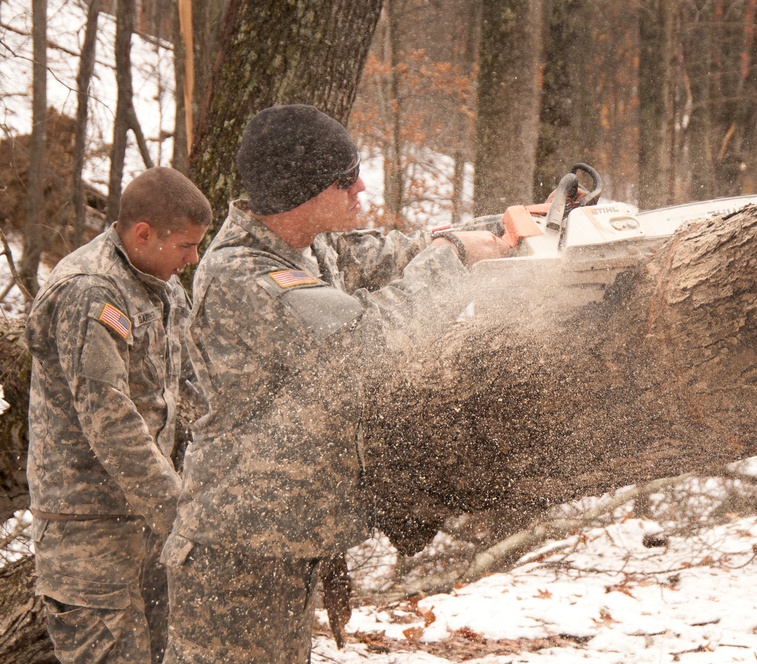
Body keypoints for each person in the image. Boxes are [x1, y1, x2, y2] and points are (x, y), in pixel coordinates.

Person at [162, 103, 511, 663]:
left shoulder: (307, 246)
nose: (361, 186)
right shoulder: (245, 275)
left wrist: (501, 227)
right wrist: (452, 259)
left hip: (280, 545)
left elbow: (399, 251)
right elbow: (367, 345)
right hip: (237, 556)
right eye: (345, 178)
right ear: (304, 190)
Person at [26, 167, 212, 663]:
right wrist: (182, 515)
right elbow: (110, 421)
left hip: (146, 526)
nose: (193, 260)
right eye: (186, 246)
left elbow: (195, 390)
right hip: (88, 534)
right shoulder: (90, 291)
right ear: (143, 233)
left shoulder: (162, 287)